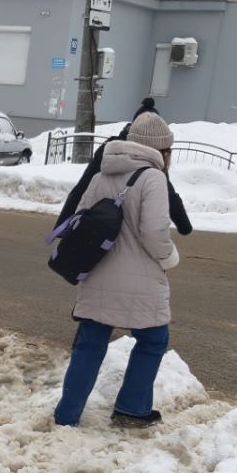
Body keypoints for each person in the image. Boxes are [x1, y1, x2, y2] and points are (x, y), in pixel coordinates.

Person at [54, 112, 181, 429]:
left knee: (90, 342)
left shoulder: (101, 175)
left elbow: (81, 218)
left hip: (96, 273)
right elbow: (154, 233)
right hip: (141, 281)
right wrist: (168, 257)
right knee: (153, 339)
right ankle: (132, 408)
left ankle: (66, 415)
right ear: (162, 151)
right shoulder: (153, 178)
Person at [56, 97, 192, 236]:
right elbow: (169, 194)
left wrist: (63, 225)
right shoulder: (154, 155)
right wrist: (184, 225)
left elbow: (82, 187)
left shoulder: (110, 148)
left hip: (97, 230)